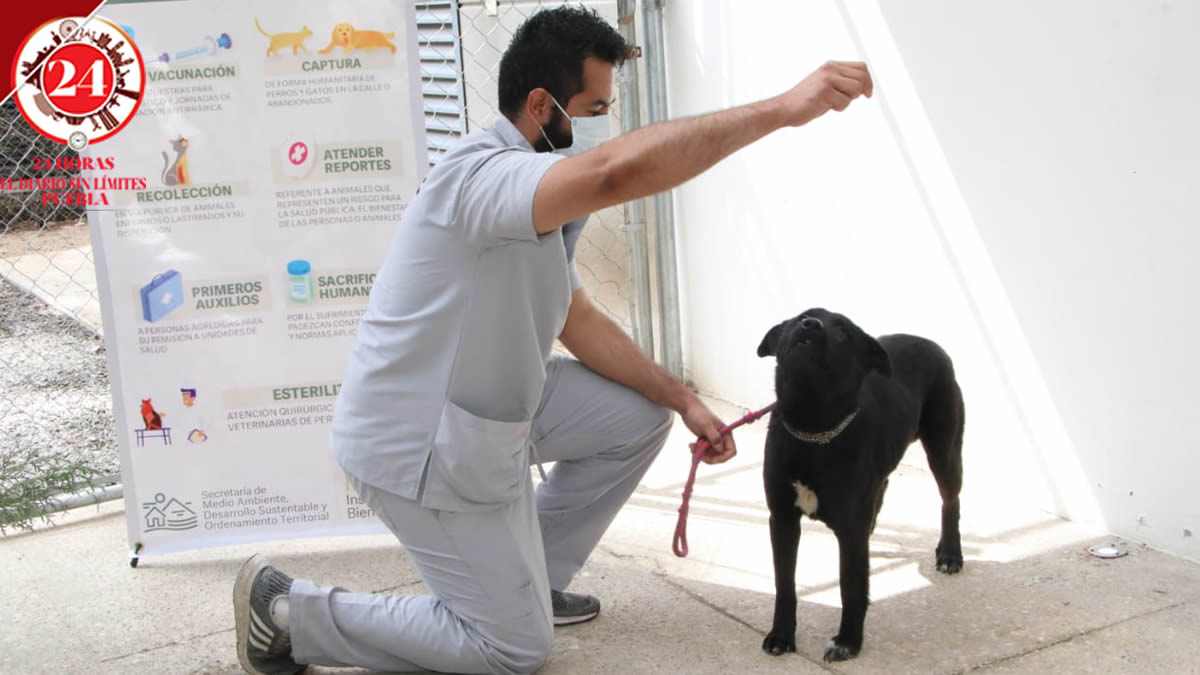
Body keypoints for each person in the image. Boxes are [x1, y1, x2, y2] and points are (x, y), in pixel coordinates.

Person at [233, 6, 872, 675]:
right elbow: (611, 174)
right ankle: (284, 613)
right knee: (512, 648)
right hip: (415, 442)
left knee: (636, 416)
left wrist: (683, 398)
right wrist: (780, 109)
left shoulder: (537, 196)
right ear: (540, 106)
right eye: (595, 106)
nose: (605, 124)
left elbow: (577, 317)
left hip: (478, 416)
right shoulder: (484, 176)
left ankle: (530, 581)